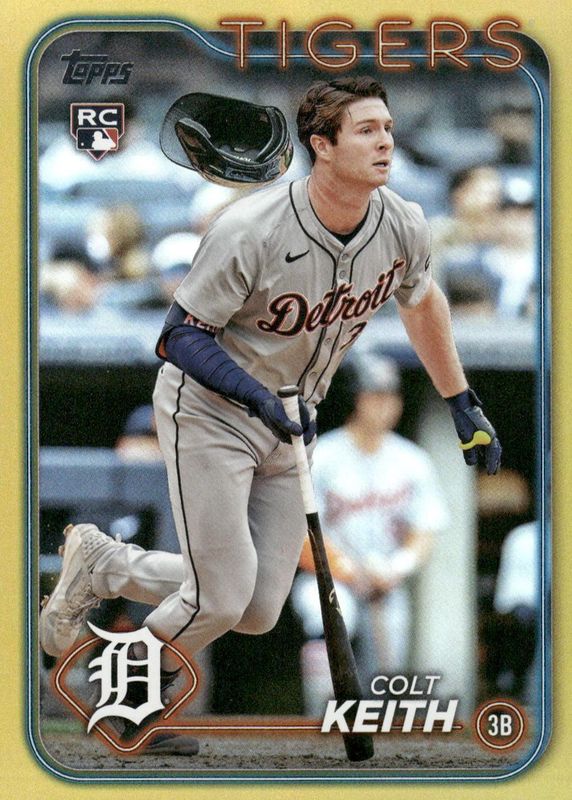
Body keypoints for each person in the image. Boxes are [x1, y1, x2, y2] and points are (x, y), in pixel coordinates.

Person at [39, 76, 501, 753]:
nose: (385, 141)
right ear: (322, 145)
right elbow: (178, 335)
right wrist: (254, 394)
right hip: (209, 409)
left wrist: (461, 400)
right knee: (221, 597)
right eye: (366, 130)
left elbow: (422, 300)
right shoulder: (252, 227)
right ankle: (123, 697)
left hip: (291, 415)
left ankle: (104, 564)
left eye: (388, 128)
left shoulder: (401, 221)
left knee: (255, 607)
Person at [290, 353, 448, 715]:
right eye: (375, 396)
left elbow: (425, 529)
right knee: (325, 616)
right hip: (328, 578)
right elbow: (298, 534)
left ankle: (376, 729)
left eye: (391, 397)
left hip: (384, 579)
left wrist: (398, 566)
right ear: (356, 399)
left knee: (388, 660)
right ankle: (322, 719)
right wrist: (347, 570)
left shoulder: (412, 460)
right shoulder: (322, 456)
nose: (385, 406)